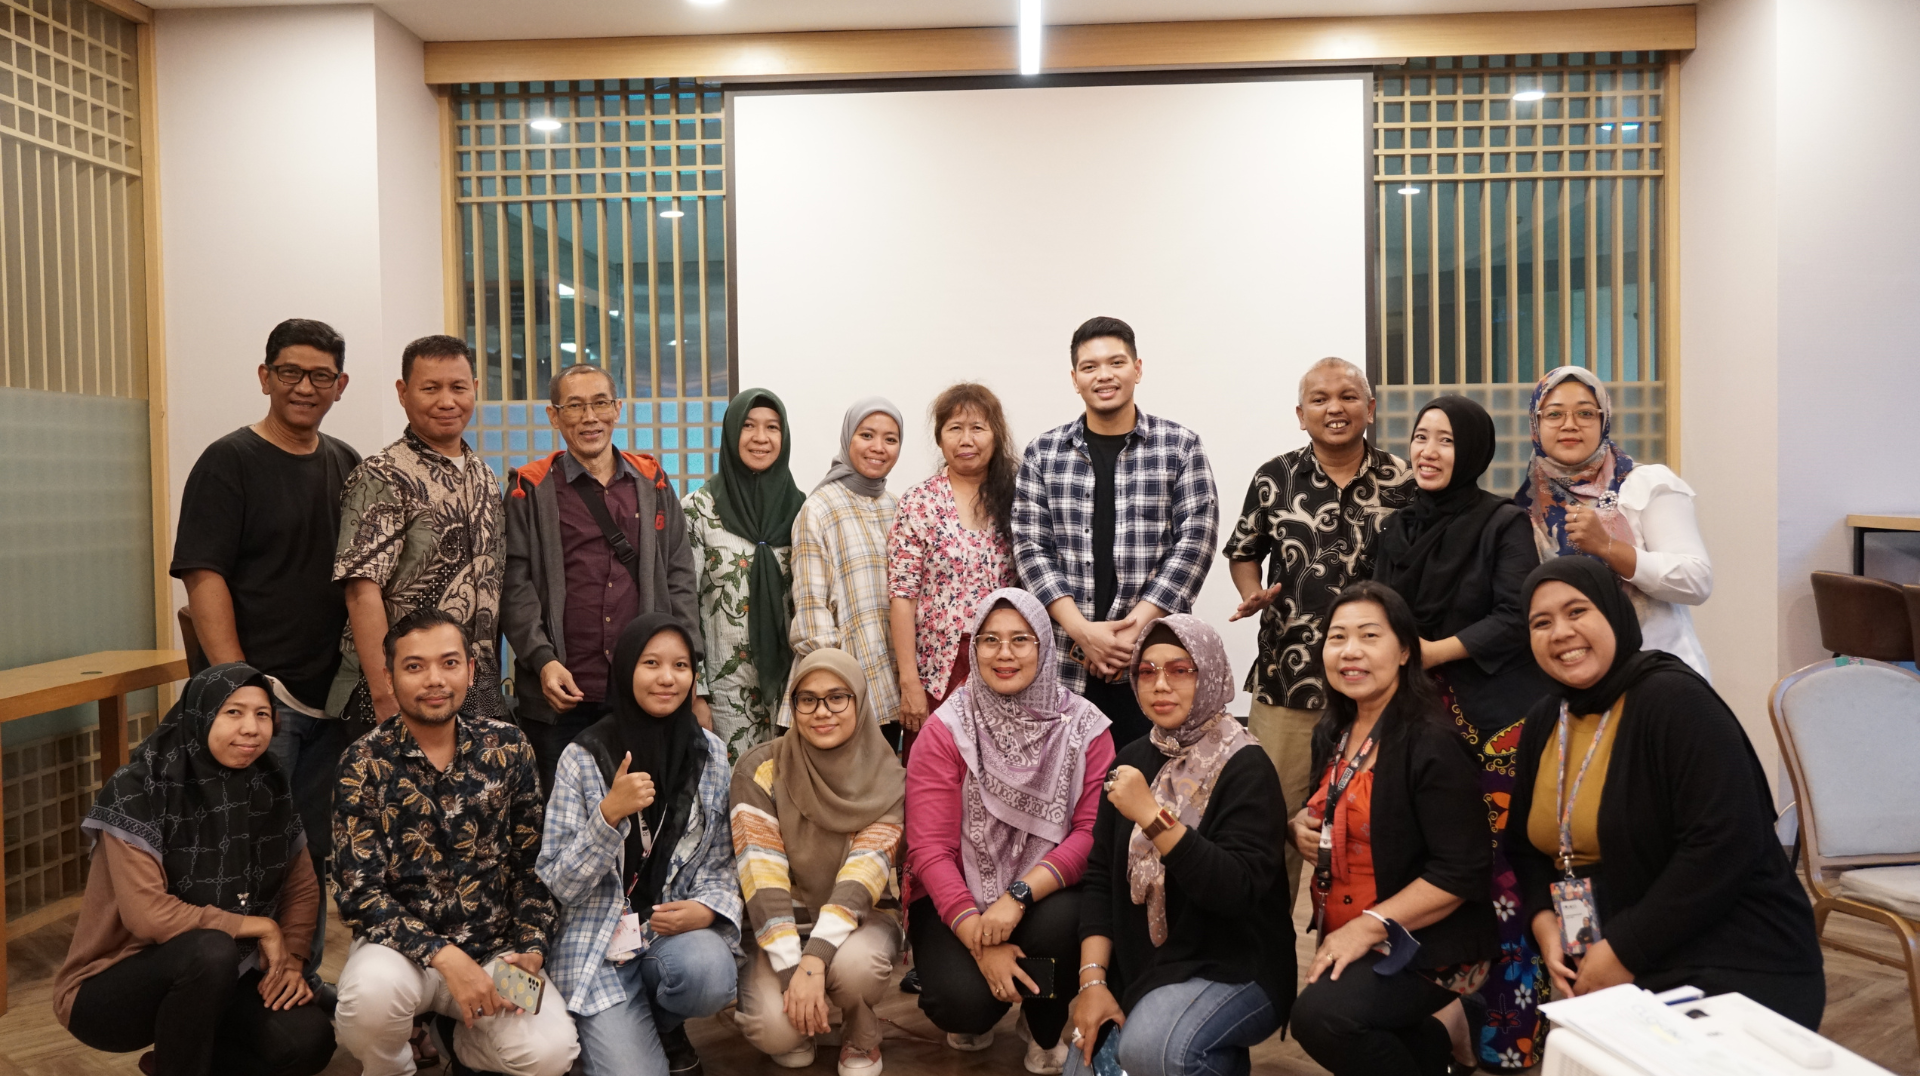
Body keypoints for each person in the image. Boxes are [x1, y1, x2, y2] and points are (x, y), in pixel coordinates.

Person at [1511, 557, 1824, 1028]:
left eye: (1577, 611)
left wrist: (1625, 950)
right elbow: (1526, 847)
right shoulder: (1544, 720)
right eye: (1541, 622)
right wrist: (1545, 924)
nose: (1560, 632)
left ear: (1613, 612)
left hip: (1730, 957)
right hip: (1610, 957)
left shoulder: (1673, 700)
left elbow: (1723, 846)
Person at [170, 317, 361, 991]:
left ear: (341, 385)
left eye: (320, 376)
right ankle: (231, 999)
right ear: (265, 377)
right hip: (262, 700)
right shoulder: (229, 461)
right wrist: (239, 687)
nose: (304, 387)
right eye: (290, 372)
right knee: (244, 853)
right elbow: (204, 576)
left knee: (311, 853)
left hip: (330, 701)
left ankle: (294, 985)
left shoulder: (345, 461)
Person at [1371, 394, 1554, 1071]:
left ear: (1472, 450)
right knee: (1426, 867)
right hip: (1416, 718)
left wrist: (1430, 652)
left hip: (1493, 723)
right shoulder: (1396, 528)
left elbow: (1516, 616)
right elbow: (1379, 613)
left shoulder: (1502, 524)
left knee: (1498, 876)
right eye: (1421, 436)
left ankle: (1511, 1036)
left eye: (1445, 440)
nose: (1428, 451)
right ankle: (1440, 1024)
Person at [54, 664, 334, 1076]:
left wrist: (291, 959)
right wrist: (261, 927)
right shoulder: (139, 789)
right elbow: (148, 915)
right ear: (200, 715)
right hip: (114, 984)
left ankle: (175, 1060)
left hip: (228, 976)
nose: (251, 728)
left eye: (262, 714)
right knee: (210, 950)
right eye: (233, 712)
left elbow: (302, 886)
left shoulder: (268, 783)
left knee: (310, 1043)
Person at [332, 609, 578, 1076]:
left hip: (496, 952)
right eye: (414, 666)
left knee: (553, 1053)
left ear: (470, 669)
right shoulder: (362, 762)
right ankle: (394, 1067)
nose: (434, 680)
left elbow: (532, 864)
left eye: (448, 663)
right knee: (367, 1003)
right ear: (388, 676)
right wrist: (446, 958)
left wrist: (531, 946)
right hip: (403, 954)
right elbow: (359, 893)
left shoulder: (508, 747)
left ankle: (460, 1043)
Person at [1222, 357, 1416, 910]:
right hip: (1288, 680)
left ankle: (1376, 936)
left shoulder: (1403, 481)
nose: (1335, 408)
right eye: (1320, 399)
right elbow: (1243, 552)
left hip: (1379, 689)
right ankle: (1267, 947)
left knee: (1381, 819)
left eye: (1349, 397)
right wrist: (1251, 592)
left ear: (1370, 408)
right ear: (1300, 413)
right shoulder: (1274, 477)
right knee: (1273, 820)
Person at [1065, 614, 1294, 1076]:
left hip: (1234, 965)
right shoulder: (1132, 759)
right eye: (1147, 671)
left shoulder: (1246, 766)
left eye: (1180, 670)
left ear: (1209, 674)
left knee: (1152, 1048)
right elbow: (1100, 879)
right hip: (1147, 966)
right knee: (1085, 1065)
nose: (1161, 685)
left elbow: (1235, 891)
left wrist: (1153, 817)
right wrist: (1092, 983)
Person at [1287, 583, 1499, 1076]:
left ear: (1405, 651)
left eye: (1369, 635)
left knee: (1321, 1019)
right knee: (1343, 1020)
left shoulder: (1432, 742)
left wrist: (1368, 926)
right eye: (1337, 637)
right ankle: (1442, 1042)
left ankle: (1447, 1025)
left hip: (1430, 940)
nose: (1350, 651)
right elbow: (1332, 804)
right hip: (1352, 923)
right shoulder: (1334, 731)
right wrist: (1299, 824)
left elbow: (1462, 871)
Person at [906, 589, 1115, 1074]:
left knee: (1068, 920)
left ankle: (1042, 1024)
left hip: (1042, 896)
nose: (1005, 653)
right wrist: (979, 937)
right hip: (958, 897)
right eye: (990, 640)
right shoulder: (946, 729)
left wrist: (1017, 896)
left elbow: (1090, 834)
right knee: (961, 1004)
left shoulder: (1085, 727)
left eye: (1021, 639)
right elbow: (930, 850)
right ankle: (984, 998)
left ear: (1044, 645)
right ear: (974, 648)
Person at [537, 613, 741, 1076]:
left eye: (680, 665)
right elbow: (559, 883)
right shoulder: (584, 756)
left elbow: (722, 860)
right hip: (599, 946)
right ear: (626, 668)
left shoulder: (710, 754)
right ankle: (630, 1031)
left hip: (668, 935)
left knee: (709, 973)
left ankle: (661, 1024)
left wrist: (707, 909)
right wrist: (608, 816)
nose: (667, 678)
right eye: (651, 663)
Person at [1013, 316, 1218, 747]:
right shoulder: (1043, 453)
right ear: (1075, 379)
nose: (1103, 375)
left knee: (1152, 776)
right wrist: (1084, 633)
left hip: (1153, 658)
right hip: (1066, 661)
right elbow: (1031, 547)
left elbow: (1195, 542)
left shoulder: (1180, 446)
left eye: (1116, 362)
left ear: (1137, 369)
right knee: (1067, 779)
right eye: (1089, 367)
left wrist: (1130, 634)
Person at [504, 363, 700, 793]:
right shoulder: (530, 489)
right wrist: (542, 660)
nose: (589, 417)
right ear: (554, 416)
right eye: (574, 406)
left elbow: (680, 576)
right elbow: (515, 587)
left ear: (618, 409)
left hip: (641, 690)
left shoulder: (652, 483)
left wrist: (688, 664)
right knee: (561, 814)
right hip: (563, 689)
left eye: (600, 403)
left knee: (646, 808)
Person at [731, 649, 906, 1076]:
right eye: (807, 699)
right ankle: (802, 1018)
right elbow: (762, 875)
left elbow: (863, 875)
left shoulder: (887, 777)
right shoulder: (760, 769)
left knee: (858, 967)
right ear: (792, 706)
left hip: (860, 922)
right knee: (775, 1032)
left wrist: (814, 961)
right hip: (780, 927)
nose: (821, 712)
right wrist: (793, 969)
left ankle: (860, 1032)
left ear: (859, 701)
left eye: (837, 697)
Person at [330, 334, 505, 725]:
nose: (447, 401)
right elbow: (361, 591)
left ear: (475, 389)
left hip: (473, 691)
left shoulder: (484, 476)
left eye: (458, 387)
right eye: (430, 388)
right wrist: (386, 696)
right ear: (403, 392)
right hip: (396, 693)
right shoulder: (382, 475)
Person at [1513, 365, 1712, 678]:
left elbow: (1695, 581)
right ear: (1535, 424)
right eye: (1554, 414)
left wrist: (1607, 547)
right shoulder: (1525, 508)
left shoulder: (1645, 484)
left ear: (1604, 419)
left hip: (1655, 674)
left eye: (1585, 413)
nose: (1569, 425)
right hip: (1568, 677)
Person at [888, 382, 1020, 742]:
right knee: (936, 766)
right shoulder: (919, 502)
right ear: (939, 437)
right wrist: (909, 682)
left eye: (978, 428)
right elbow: (902, 596)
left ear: (996, 434)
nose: (966, 440)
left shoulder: (1018, 497)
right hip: (937, 671)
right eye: (955, 428)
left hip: (1005, 662)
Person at [682, 387, 804, 760]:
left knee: (789, 785)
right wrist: (696, 693)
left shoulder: (804, 511)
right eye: (748, 426)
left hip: (792, 692)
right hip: (724, 694)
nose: (760, 437)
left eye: (772, 427)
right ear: (732, 432)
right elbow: (683, 605)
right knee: (732, 787)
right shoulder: (698, 510)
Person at [786, 397, 905, 740]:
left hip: (892, 692)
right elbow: (812, 613)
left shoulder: (899, 507)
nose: (878, 447)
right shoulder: (819, 509)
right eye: (866, 435)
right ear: (847, 437)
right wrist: (837, 692)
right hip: (837, 698)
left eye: (890, 439)